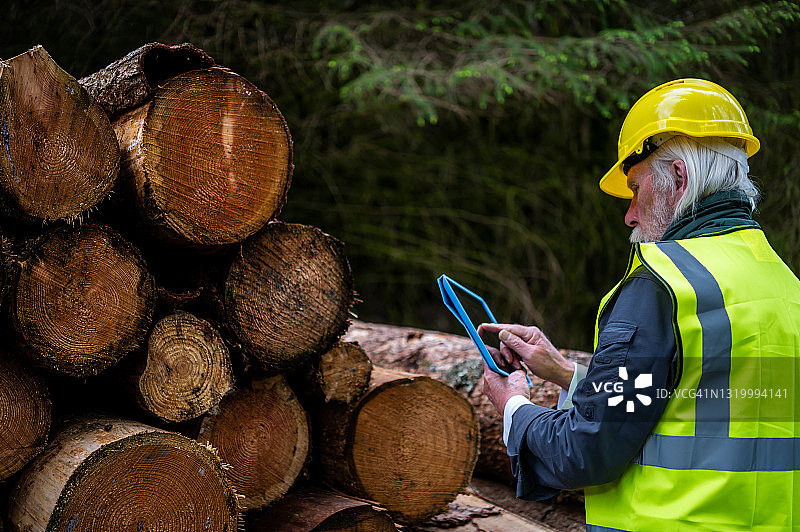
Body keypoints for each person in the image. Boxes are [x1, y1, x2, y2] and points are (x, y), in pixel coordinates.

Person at [478, 78, 800, 531]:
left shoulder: (664, 284)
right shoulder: (783, 283)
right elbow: (706, 401)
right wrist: (566, 373)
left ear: (678, 178)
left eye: (635, 188)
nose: (629, 213)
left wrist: (515, 409)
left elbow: (586, 451)